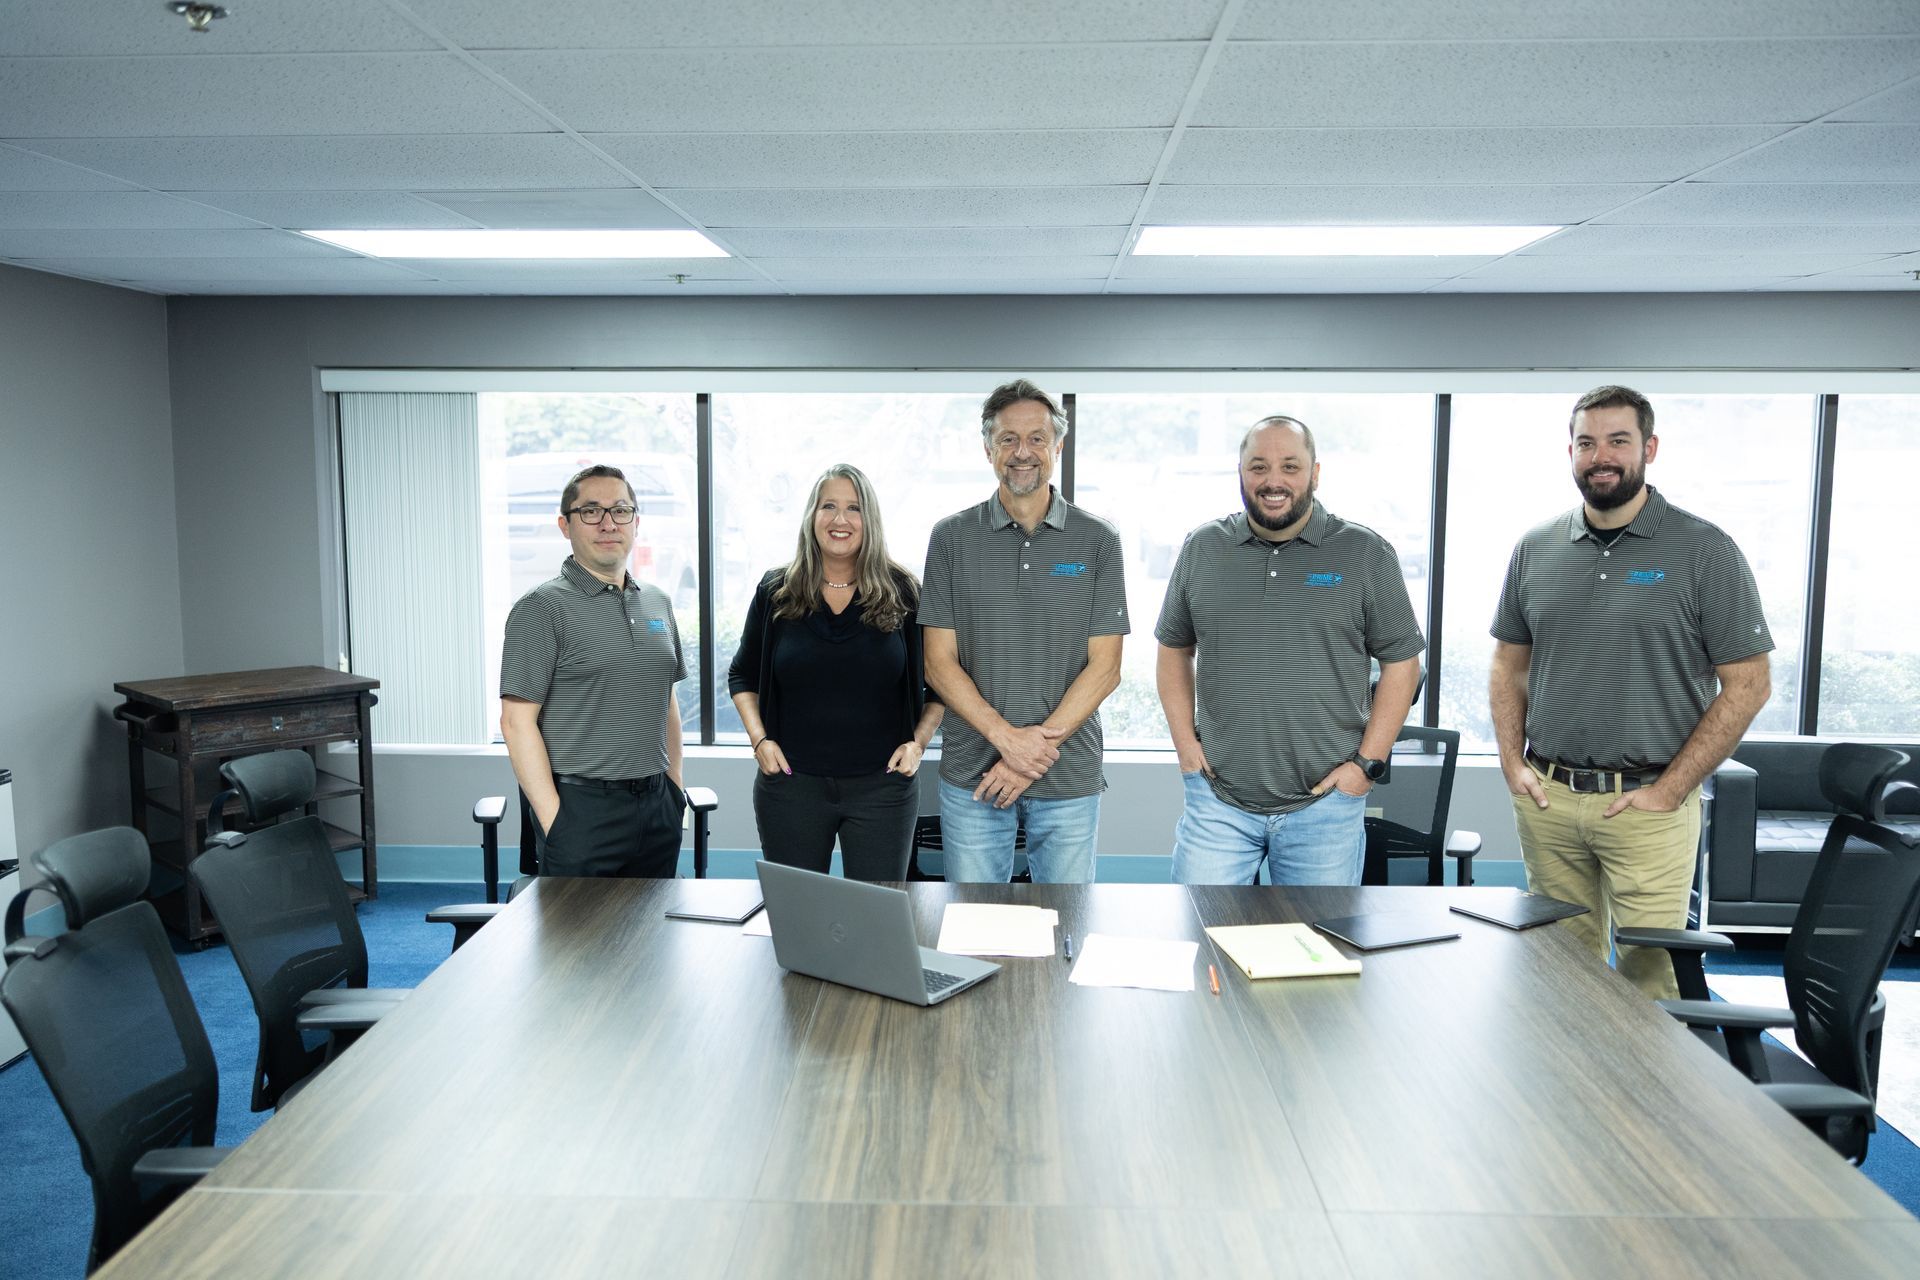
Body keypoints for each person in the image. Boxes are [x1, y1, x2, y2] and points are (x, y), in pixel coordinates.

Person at [1490, 385, 1773, 999]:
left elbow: (1749, 683)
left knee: (1652, 981)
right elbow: (1509, 665)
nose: (1601, 456)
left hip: (1648, 804)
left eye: (1618, 441)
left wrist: (1671, 790)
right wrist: (1512, 763)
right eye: (1587, 443)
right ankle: (1567, 1096)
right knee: (1559, 974)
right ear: (1570, 452)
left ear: (1649, 447)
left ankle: (1646, 1099)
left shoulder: (1703, 549)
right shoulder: (1536, 548)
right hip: (1550, 801)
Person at [1157, 416, 1425, 885]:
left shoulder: (1364, 553)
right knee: (1198, 933)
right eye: (1258, 467)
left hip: (1325, 809)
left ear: (1315, 473)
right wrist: (1185, 747)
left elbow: (1402, 665)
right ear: (1240, 472)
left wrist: (1365, 767)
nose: (1273, 481)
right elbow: (1174, 650)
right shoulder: (1203, 548)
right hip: (1217, 802)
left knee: (1315, 951)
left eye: (1290, 466)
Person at [920, 379, 1128, 884]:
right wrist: (1005, 740)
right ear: (988, 447)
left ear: (1058, 446)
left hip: (1069, 778)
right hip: (972, 774)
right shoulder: (950, 538)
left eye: (1037, 438)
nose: (1022, 453)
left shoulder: (1098, 540)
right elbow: (937, 662)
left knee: (1068, 926)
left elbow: (1106, 668)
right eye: (1008, 439)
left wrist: (1025, 757)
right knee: (974, 927)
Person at [729, 464, 944, 880]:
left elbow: (937, 684)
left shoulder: (903, 592)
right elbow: (743, 677)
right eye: (828, 506)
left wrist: (918, 744)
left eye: (854, 508)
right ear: (812, 516)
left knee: (877, 919)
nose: (840, 519)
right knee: (797, 916)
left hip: (883, 788)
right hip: (791, 787)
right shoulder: (776, 590)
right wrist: (760, 741)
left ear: (870, 520)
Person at [499, 464, 688, 878]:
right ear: (565, 525)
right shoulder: (541, 607)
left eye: (620, 510)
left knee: (651, 936)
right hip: (581, 810)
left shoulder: (658, 602)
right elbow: (516, 723)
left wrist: (674, 790)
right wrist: (556, 822)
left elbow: (665, 698)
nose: (608, 523)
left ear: (636, 522)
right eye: (591, 511)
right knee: (576, 941)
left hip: (657, 807)